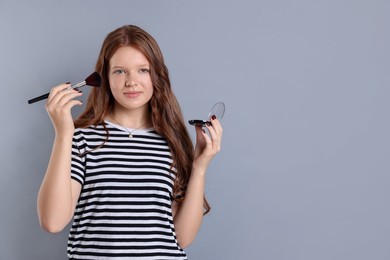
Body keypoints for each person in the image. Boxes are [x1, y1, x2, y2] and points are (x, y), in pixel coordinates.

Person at [37, 25, 223, 259]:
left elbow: (182, 239)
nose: (131, 81)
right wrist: (64, 134)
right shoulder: (81, 139)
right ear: (103, 77)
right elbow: (53, 222)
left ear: (157, 75)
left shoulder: (172, 141)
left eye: (142, 70)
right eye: (120, 71)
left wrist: (200, 167)